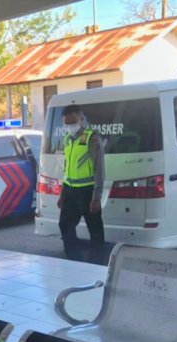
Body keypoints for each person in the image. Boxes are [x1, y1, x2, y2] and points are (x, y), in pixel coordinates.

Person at [58, 104, 105, 262]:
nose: (70, 127)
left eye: (72, 122)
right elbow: (67, 168)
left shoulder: (92, 137)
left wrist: (96, 197)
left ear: (81, 119)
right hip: (70, 191)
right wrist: (62, 194)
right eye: (66, 123)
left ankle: (97, 263)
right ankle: (74, 259)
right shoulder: (67, 139)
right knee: (65, 224)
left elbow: (100, 169)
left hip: (88, 191)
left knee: (95, 229)